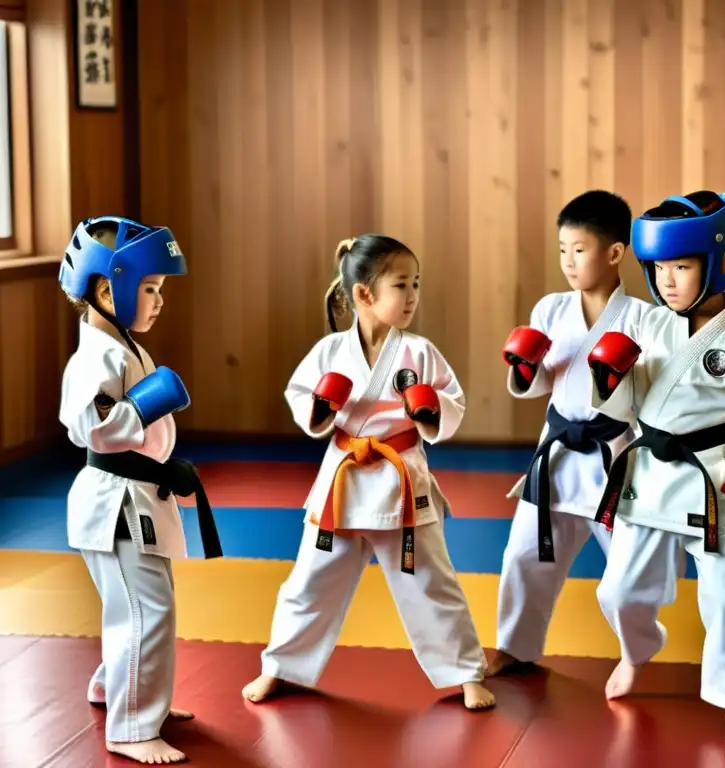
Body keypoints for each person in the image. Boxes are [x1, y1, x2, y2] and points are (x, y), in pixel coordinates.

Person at [242, 234, 495, 711]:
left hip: (402, 486)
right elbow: (303, 400)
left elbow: (451, 402)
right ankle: (279, 666)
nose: (413, 296)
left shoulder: (419, 352)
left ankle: (465, 674)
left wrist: (429, 409)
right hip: (343, 481)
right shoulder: (330, 352)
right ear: (364, 294)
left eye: (416, 284)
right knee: (309, 583)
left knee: (432, 583)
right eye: (402, 285)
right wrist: (321, 406)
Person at [585, 191, 725, 754]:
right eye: (659, 268)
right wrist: (608, 380)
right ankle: (636, 650)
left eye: (682, 265)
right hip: (648, 478)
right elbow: (627, 405)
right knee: (618, 591)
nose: (669, 280)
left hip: (713, 485)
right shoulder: (651, 325)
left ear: (721, 261)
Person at [58, 215, 222, 765]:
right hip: (116, 503)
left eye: (160, 289)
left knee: (135, 605)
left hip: (134, 497)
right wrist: (147, 403)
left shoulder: (122, 345)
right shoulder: (94, 357)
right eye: (149, 288)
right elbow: (92, 427)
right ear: (108, 288)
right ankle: (131, 727)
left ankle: (119, 691)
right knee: (144, 612)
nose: (158, 300)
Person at [488, 190, 652, 677]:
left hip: (614, 456)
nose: (567, 261)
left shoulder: (646, 319)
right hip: (557, 455)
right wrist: (523, 367)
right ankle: (514, 645)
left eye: (579, 249)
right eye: (562, 249)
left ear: (615, 252)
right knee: (523, 554)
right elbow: (535, 385)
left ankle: (634, 652)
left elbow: (647, 397)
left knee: (629, 570)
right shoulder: (551, 310)